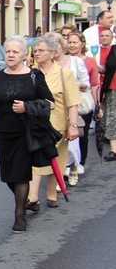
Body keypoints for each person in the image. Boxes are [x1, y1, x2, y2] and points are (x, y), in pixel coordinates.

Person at [0, 36, 54, 233]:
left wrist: (27, 106)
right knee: (9, 176)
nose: (11, 55)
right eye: (8, 51)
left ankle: (20, 215)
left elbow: (50, 103)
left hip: (25, 132)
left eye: (15, 51)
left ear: (24, 55)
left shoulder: (34, 75)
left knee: (20, 173)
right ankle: (28, 199)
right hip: (4, 133)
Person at [28, 35, 80, 209]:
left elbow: (72, 102)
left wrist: (73, 126)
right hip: (33, 124)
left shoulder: (64, 73)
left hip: (57, 124)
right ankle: (33, 198)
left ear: (52, 53)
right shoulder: (29, 72)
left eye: (41, 51)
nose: (37, 54)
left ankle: (51, 194)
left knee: (54, 159)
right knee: (34, 159)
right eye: (35, 50)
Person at [50, 32, 89, 186]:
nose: (53, 48)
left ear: (62, 45)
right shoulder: (47, 65)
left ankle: (73, 166)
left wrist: (75, 86)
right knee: (55, 145)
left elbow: (86, 83)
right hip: (53, 109)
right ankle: (58, 178)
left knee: (71, 144)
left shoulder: (75, 62)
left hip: (71, 107)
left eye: (56, 44)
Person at [68, 31, 100, 173]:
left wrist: (97, 105)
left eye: (75, 42)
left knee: (82, 133)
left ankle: (80, 162)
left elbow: (93, 84)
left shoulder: (90, 61)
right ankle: (68, 163)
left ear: (82, 44)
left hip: (83, 102)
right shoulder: (64, 60)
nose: (72, 45)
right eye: (69, 42)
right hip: (67, 102)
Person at [97, 28, 116, 161]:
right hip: (108, 87)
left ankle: (114, 150)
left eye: (106, 35)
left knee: (111, 118)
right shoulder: (97, 50)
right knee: (108, 117)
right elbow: (105, 68)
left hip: (113, 87)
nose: (104, 38)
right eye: (102, 35)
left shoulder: (113, 49)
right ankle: (113, 149)